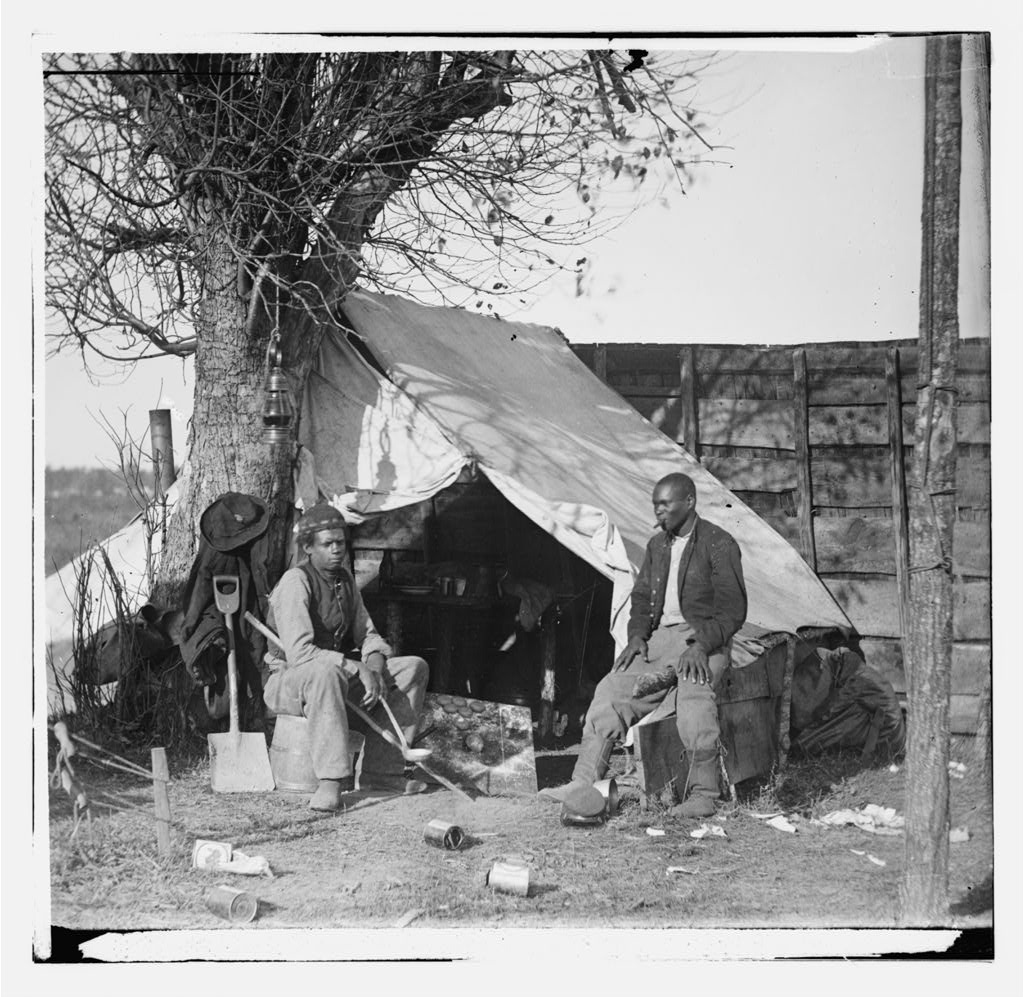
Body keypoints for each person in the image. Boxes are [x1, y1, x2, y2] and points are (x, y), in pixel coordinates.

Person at [542, 472, 747, 817]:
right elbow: (640, 599)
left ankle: (704, 795)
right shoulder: (657, 546)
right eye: (655, 506)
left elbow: (732, 609)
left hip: (703, 640)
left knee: (694, 701)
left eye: (665, 505)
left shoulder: (718, 543)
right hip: (660, 641)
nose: (659, 512)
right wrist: (637, 635)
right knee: (611, 689)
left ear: (690, 502)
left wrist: (701, 646)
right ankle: (583, 780)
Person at [263, 502, 429, 812]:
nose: (337, 550)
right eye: (328, 544)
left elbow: (367, 635)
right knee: (325, 673)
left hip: (333, 679)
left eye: (341, 542)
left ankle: (382, 774)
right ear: (308, 547)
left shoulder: (345, 582)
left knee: (412, 668)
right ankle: (331, 782)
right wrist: (355, 667)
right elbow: (301, 654)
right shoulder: (295, 583)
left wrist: (376, 666)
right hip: (287, 681)